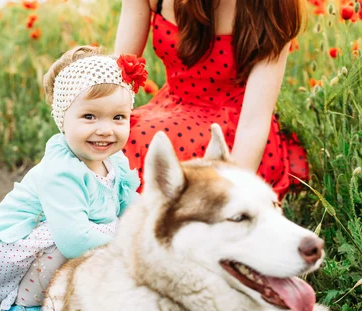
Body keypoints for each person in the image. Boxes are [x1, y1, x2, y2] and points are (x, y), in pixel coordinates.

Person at [0, 46, 143, 311]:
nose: (105, 129)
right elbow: (74, 240)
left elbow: (134, 212)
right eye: (89, 117)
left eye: (118, 118)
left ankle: (83, 297)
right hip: (7, 253)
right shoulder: (62, 171)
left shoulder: (116, 165)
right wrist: (127, 240)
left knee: (116, 229)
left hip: (65, 238)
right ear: (63, 120)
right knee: (72, 234)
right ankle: (22, 309)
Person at [114, 0, 309, 195]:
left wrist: (229, 193)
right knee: (112, 141)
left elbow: (254, 122)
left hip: (233, 129)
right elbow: (117, 76)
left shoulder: (273, 6)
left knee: (143, 148)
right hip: (169, 106)